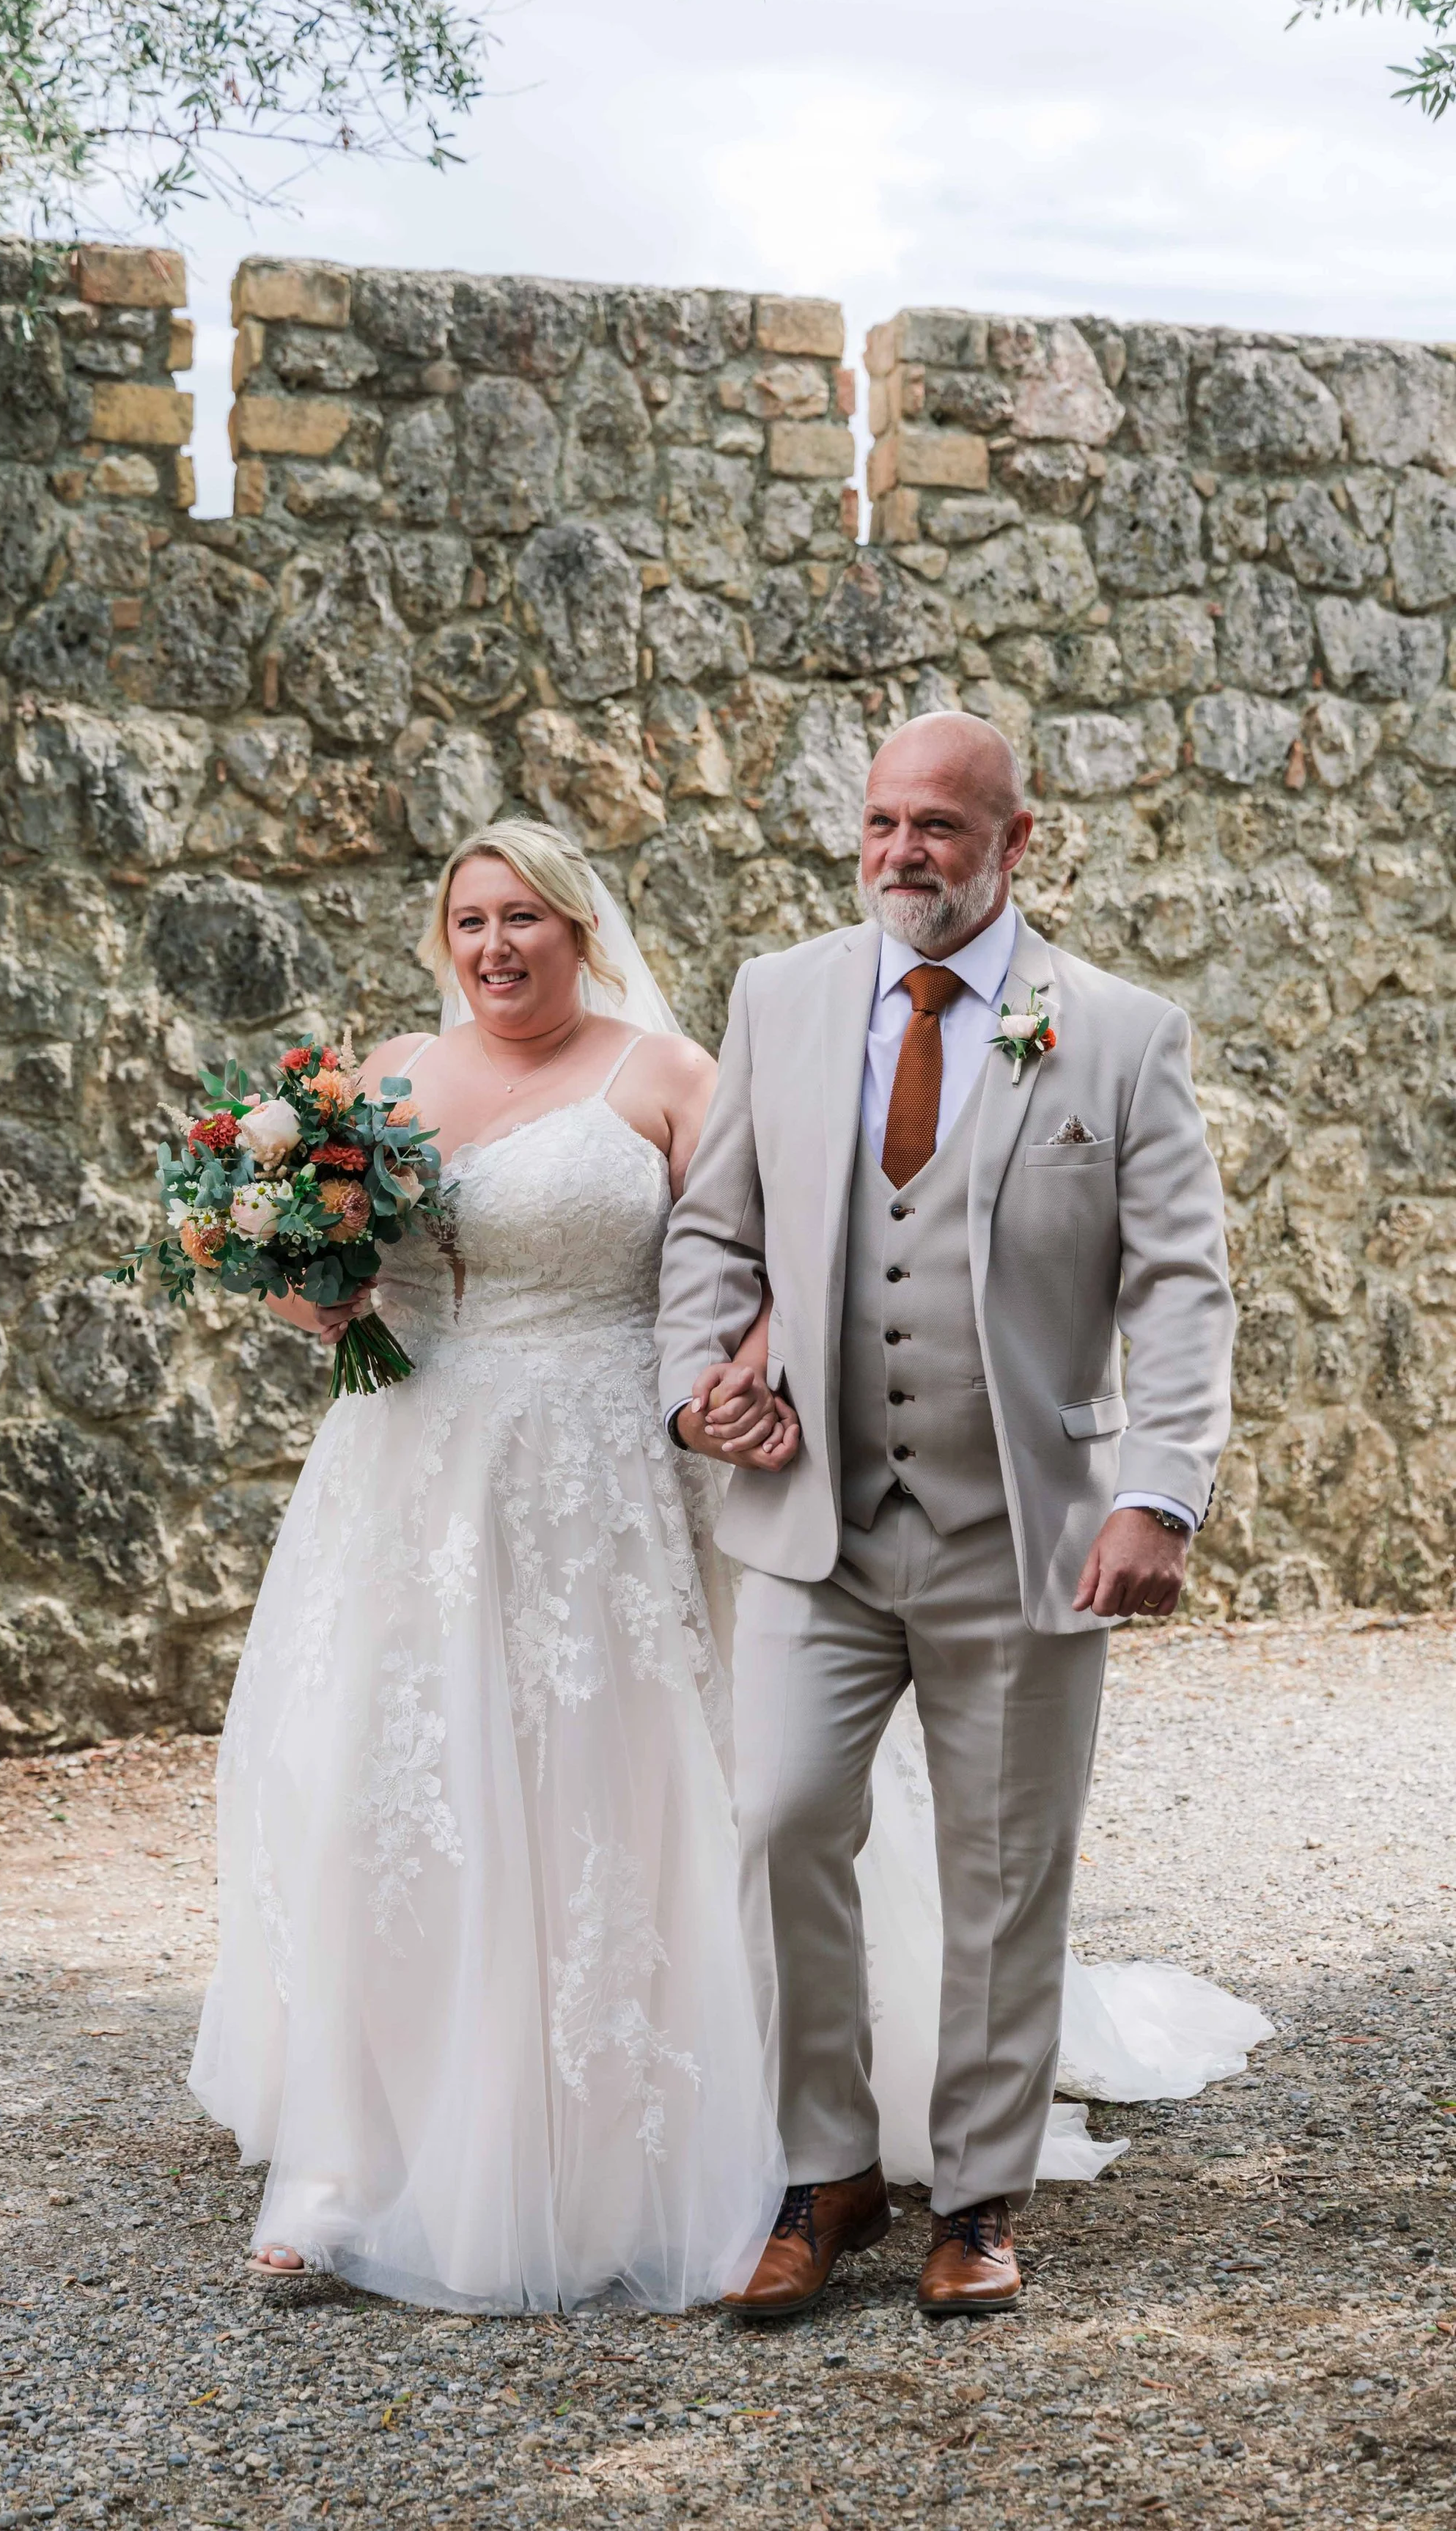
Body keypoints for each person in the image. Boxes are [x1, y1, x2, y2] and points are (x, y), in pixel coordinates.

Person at [657, 710, 1243, 2320]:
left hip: (1025, 1529)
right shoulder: (781, 1000)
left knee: (1002, 1869)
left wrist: (1155, 1496)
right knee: (779, 1820)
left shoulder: (1115, 1034)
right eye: (879, 823)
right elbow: (710, 1238)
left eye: (937, 826)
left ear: (1015, 840)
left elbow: (1182, 1290)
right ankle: (821, 2169)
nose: (900, 852)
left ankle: (977, 2196)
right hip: (811, 1523)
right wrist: (693, 1385)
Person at [188, 819, 798, 2312]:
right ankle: (350, 2160)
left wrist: (750, 1370)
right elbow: (310, 1277)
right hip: (404, 1469)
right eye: (469, 920)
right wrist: (301, 1291)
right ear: (440, 939)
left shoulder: (664, 1078)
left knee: (601, 1790)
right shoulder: (387, 1075)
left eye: (523, 916)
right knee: (376, 1798)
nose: (494, 947)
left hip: (600, 1468)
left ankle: (613, 2151)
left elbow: (788, 1258)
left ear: (580, 927)